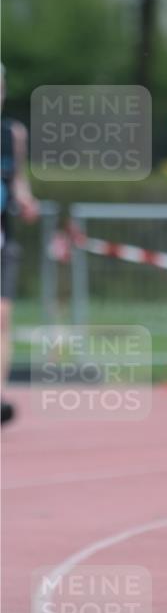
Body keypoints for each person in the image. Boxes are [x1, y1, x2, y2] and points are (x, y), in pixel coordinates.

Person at [1, 64, 39, 426]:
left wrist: (25, 200)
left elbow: (18, 180)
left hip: (2, 235)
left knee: (2, 316)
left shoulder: (11, 133)